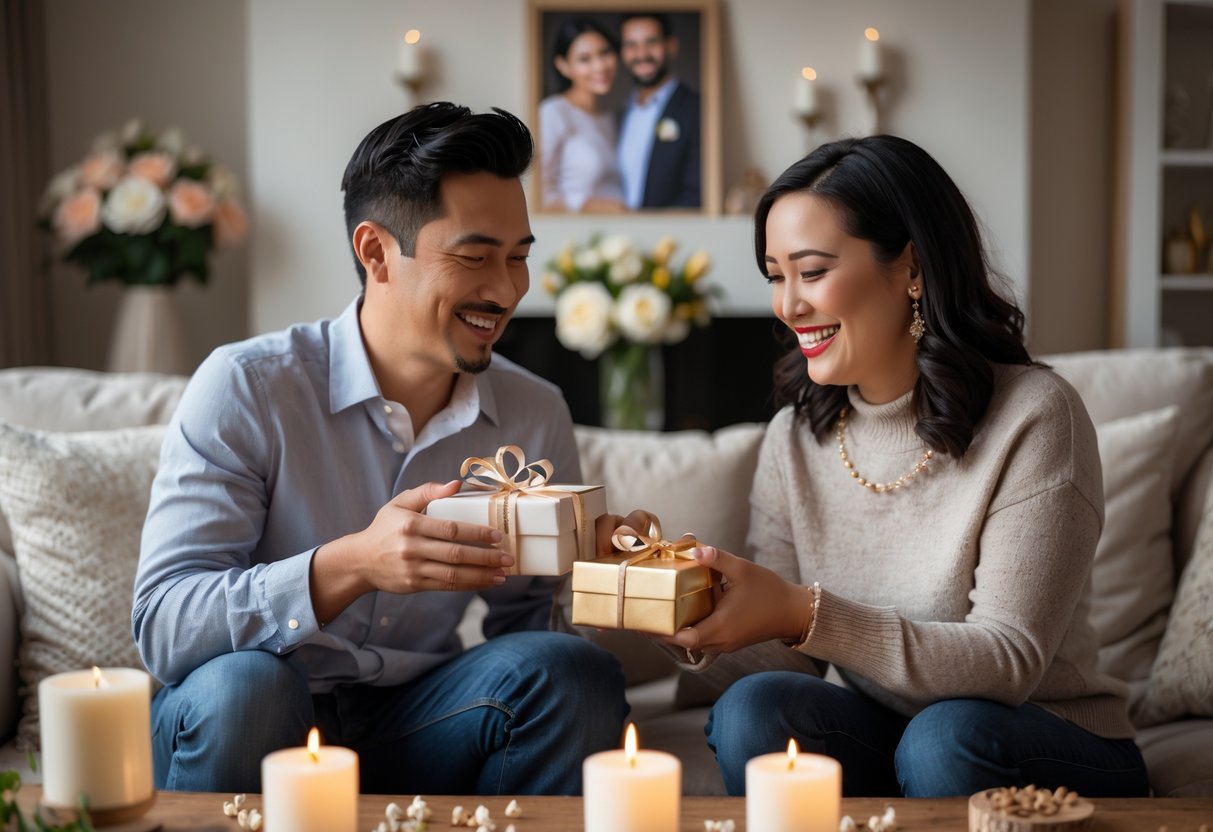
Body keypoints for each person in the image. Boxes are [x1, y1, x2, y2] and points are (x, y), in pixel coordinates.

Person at [132, 102, 629, 796]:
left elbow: (530, 627)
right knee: (250, 685)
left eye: (518, 258)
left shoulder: (533, 409)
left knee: (571, 674)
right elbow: (164, 624)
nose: (508, 290)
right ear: (375, 252)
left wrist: (607, 574)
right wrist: (351, 565)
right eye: (474, 257)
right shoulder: (247, 386)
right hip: (254, 712)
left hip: (416, 716)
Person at [665, 135, 1149, 797]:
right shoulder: (793, 437)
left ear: (911, 269)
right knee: (757, 709)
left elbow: (1008, 663)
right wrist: (673, 607)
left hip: (1040, 734)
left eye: (810, 272)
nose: (786, 305)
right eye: (775, 276)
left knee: (944, 739)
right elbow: (782, 652)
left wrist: (800, 610)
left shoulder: (1035, 414)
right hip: (889, 727)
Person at [538, 18, 627, 213]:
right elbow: (540, 193)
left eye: (605, 53)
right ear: (563, 66)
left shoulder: (610, 118)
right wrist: (587, 206)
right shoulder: (553, 112)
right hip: (578, 235)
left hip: (621, 232)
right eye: (585, 59)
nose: (600, 66)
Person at [617, 12, 701, 210]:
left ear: (670, 46)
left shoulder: (697, 109)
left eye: (651, 42)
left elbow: (696, 194)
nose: (641, 54)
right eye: (631, 45)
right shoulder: (619, 114)